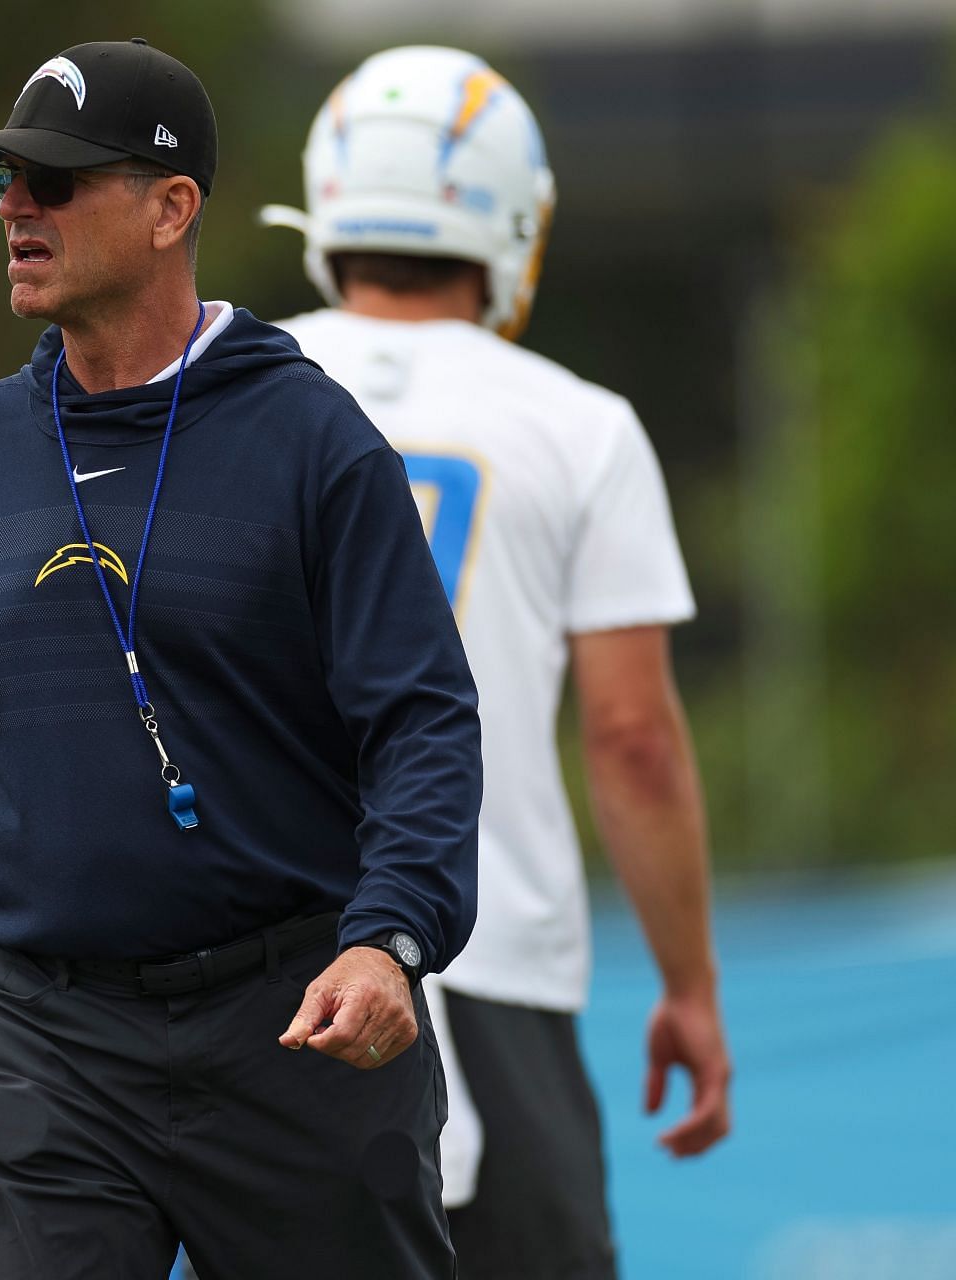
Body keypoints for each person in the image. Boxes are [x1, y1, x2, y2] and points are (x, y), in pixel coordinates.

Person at [0, 39, 483, 1279]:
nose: (18, 209)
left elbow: (424, 722)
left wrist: (392, 938)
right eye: (1, 184)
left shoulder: (313, 442)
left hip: (297, 1021)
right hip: (43, 1039)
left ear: (172, 207)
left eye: (56, 180)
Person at [262, 45, 733, 1279]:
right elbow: (632, 738)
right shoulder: (580, 424)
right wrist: (688, 980)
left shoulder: (223, 384)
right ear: (511, 216)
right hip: (492, 946)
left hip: (261, 962)